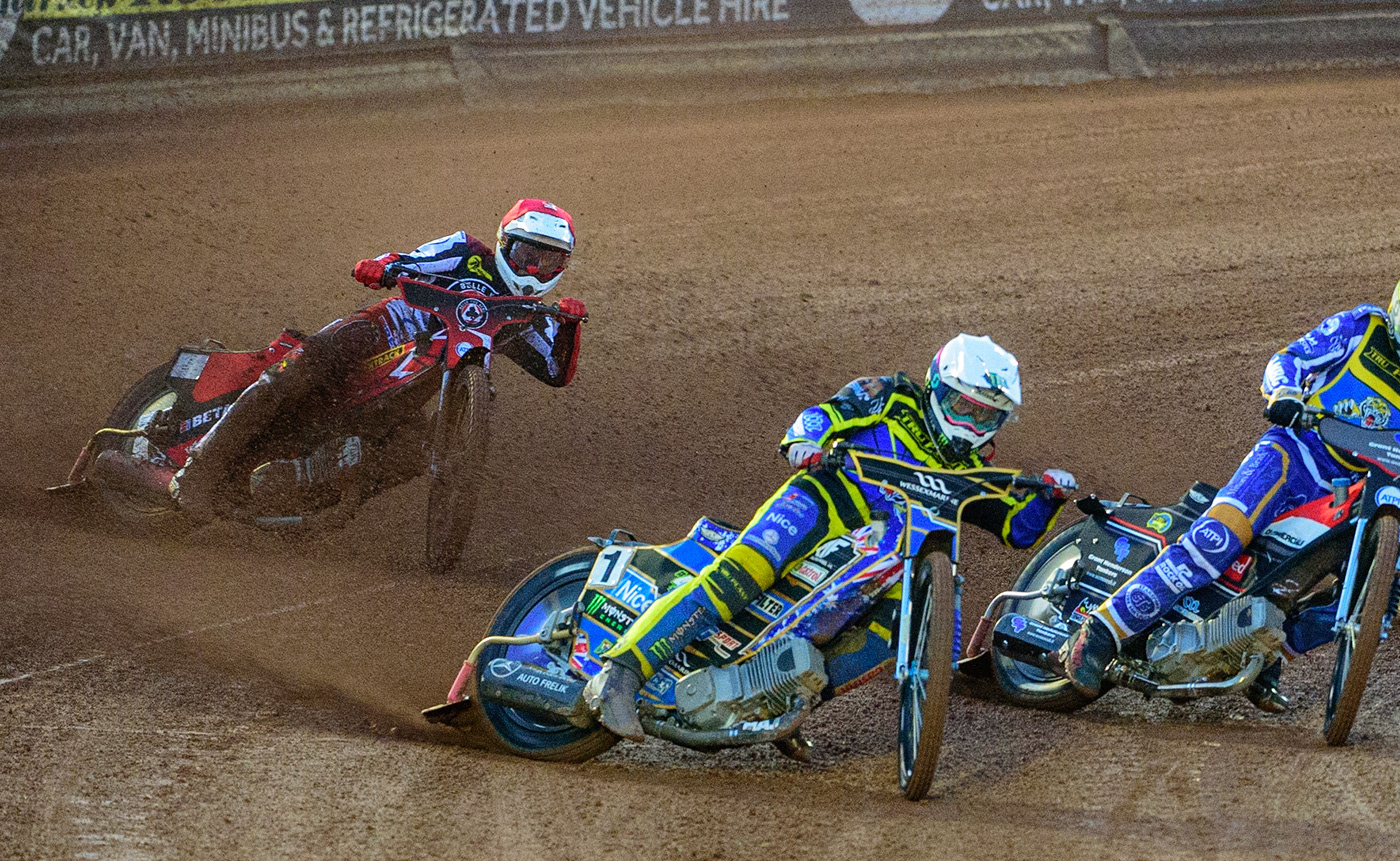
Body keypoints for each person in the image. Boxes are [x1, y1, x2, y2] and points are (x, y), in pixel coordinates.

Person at [1057, 257, 1400, 707]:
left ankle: (1262, 656)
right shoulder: (1360, 329)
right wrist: (1283, 393)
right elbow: (1291, 358)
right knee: (1215, 544)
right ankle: (1100, 632)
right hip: (1291, 454)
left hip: (1347, 494)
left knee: (1371, 605)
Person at [586, 334, 1080, 739]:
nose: (971, 424)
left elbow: (1017, 530)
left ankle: (777, 707)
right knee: (748, 570)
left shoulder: (972, 468)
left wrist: (1049, 498)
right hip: (822, 502)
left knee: (885, 635)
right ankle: (619, 674)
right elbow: (824, 414)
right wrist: (806, 442)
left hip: (886, 551)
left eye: (986, 416)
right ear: (936, 385)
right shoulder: (891, 395)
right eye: (963, 407)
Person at [172, 199, 587, 518]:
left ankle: (301, 488)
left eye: (550, 261)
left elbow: (555, 370)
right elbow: (412, 260)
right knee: (302, 366)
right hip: (384, 330)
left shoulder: (528, 315)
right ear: (503, 244)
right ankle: (198, 470)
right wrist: (382, 266)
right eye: (526, 254)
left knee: (410, 453)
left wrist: (570, 325)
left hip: (411, 384)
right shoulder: (466, 251)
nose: (534, 268)